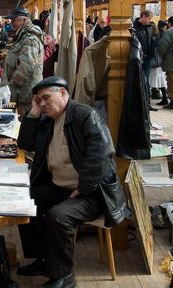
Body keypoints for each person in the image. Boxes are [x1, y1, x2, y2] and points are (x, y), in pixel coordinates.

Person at [16, 76, 126, 288]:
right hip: (60, 187)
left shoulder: (86, 116)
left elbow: (102, 155)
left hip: (92, 193)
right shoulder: (48, 120)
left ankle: (64, 276)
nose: (43, 103)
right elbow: (25, 143)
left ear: (64, 93)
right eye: (39, 99)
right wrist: (34, 113)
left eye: (47, 97)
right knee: (23, 201)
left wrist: (83, 188)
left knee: (59, 217)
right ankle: (45, 261)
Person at [0, 6, 44, 117]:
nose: (12, 23)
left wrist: (10, 87)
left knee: (22, 126)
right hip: (19, 94)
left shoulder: (29, 39)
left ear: (24, 20)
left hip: (23, 96)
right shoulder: (23, 36)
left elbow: (27, 67)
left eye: (14, 20)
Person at [134, 10, 157, 111]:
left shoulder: (150, 28)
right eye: (148, 19)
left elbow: (152, 41)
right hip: (138, 59)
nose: (149, 21)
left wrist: (152, 54)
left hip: (147, 59)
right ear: (143, 16)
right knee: (137, 81)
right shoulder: (134, 28)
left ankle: (147, 104)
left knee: (146, 82)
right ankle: (138, 105)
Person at [157, 16, 173, 109]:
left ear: (170, 23)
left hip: (171, 61)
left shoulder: (169, 32)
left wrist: (162, 57)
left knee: (171, 81)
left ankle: (172, 101)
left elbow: (162, 47)